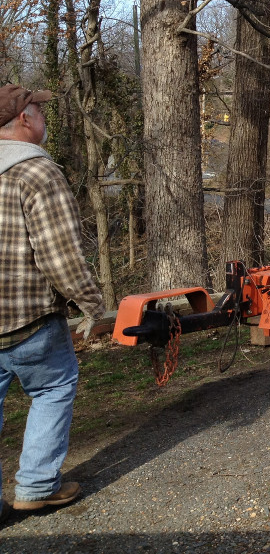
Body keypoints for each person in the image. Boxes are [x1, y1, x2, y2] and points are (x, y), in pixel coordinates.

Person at [0, 84, 105, 523]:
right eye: (41, 110)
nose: (45, 118)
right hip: (28, 319)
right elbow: (59, 256)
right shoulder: (36, 172)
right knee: (52, 388)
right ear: (25, 117)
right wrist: (91, 304)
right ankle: (37, 487)